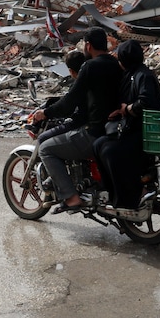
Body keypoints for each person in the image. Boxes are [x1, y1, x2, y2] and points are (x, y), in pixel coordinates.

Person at [33, 27, 122, 213]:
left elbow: (70, 101)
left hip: (94, 132)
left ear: (88, 46)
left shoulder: (89, 67)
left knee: (46, 149)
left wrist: (46, 113)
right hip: (114, 129)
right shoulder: (115, 64)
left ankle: (72, 198)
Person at [93, 39, 160, 210]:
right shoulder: (135, 73)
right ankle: (112, 194)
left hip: (145, 132)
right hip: (135, 128)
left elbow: (146, 102)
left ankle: (130, 197)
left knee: (111, 151)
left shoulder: (142, 75)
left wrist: (128, 108)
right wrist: (121, 111)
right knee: (97, 145)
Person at [36, 50, 87, 143]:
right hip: (90, 123)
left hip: (83, 124)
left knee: (43, 139)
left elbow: (67, 104)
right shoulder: (91, 77)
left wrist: (46, 113)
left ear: (70, 71)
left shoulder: (80, 83)